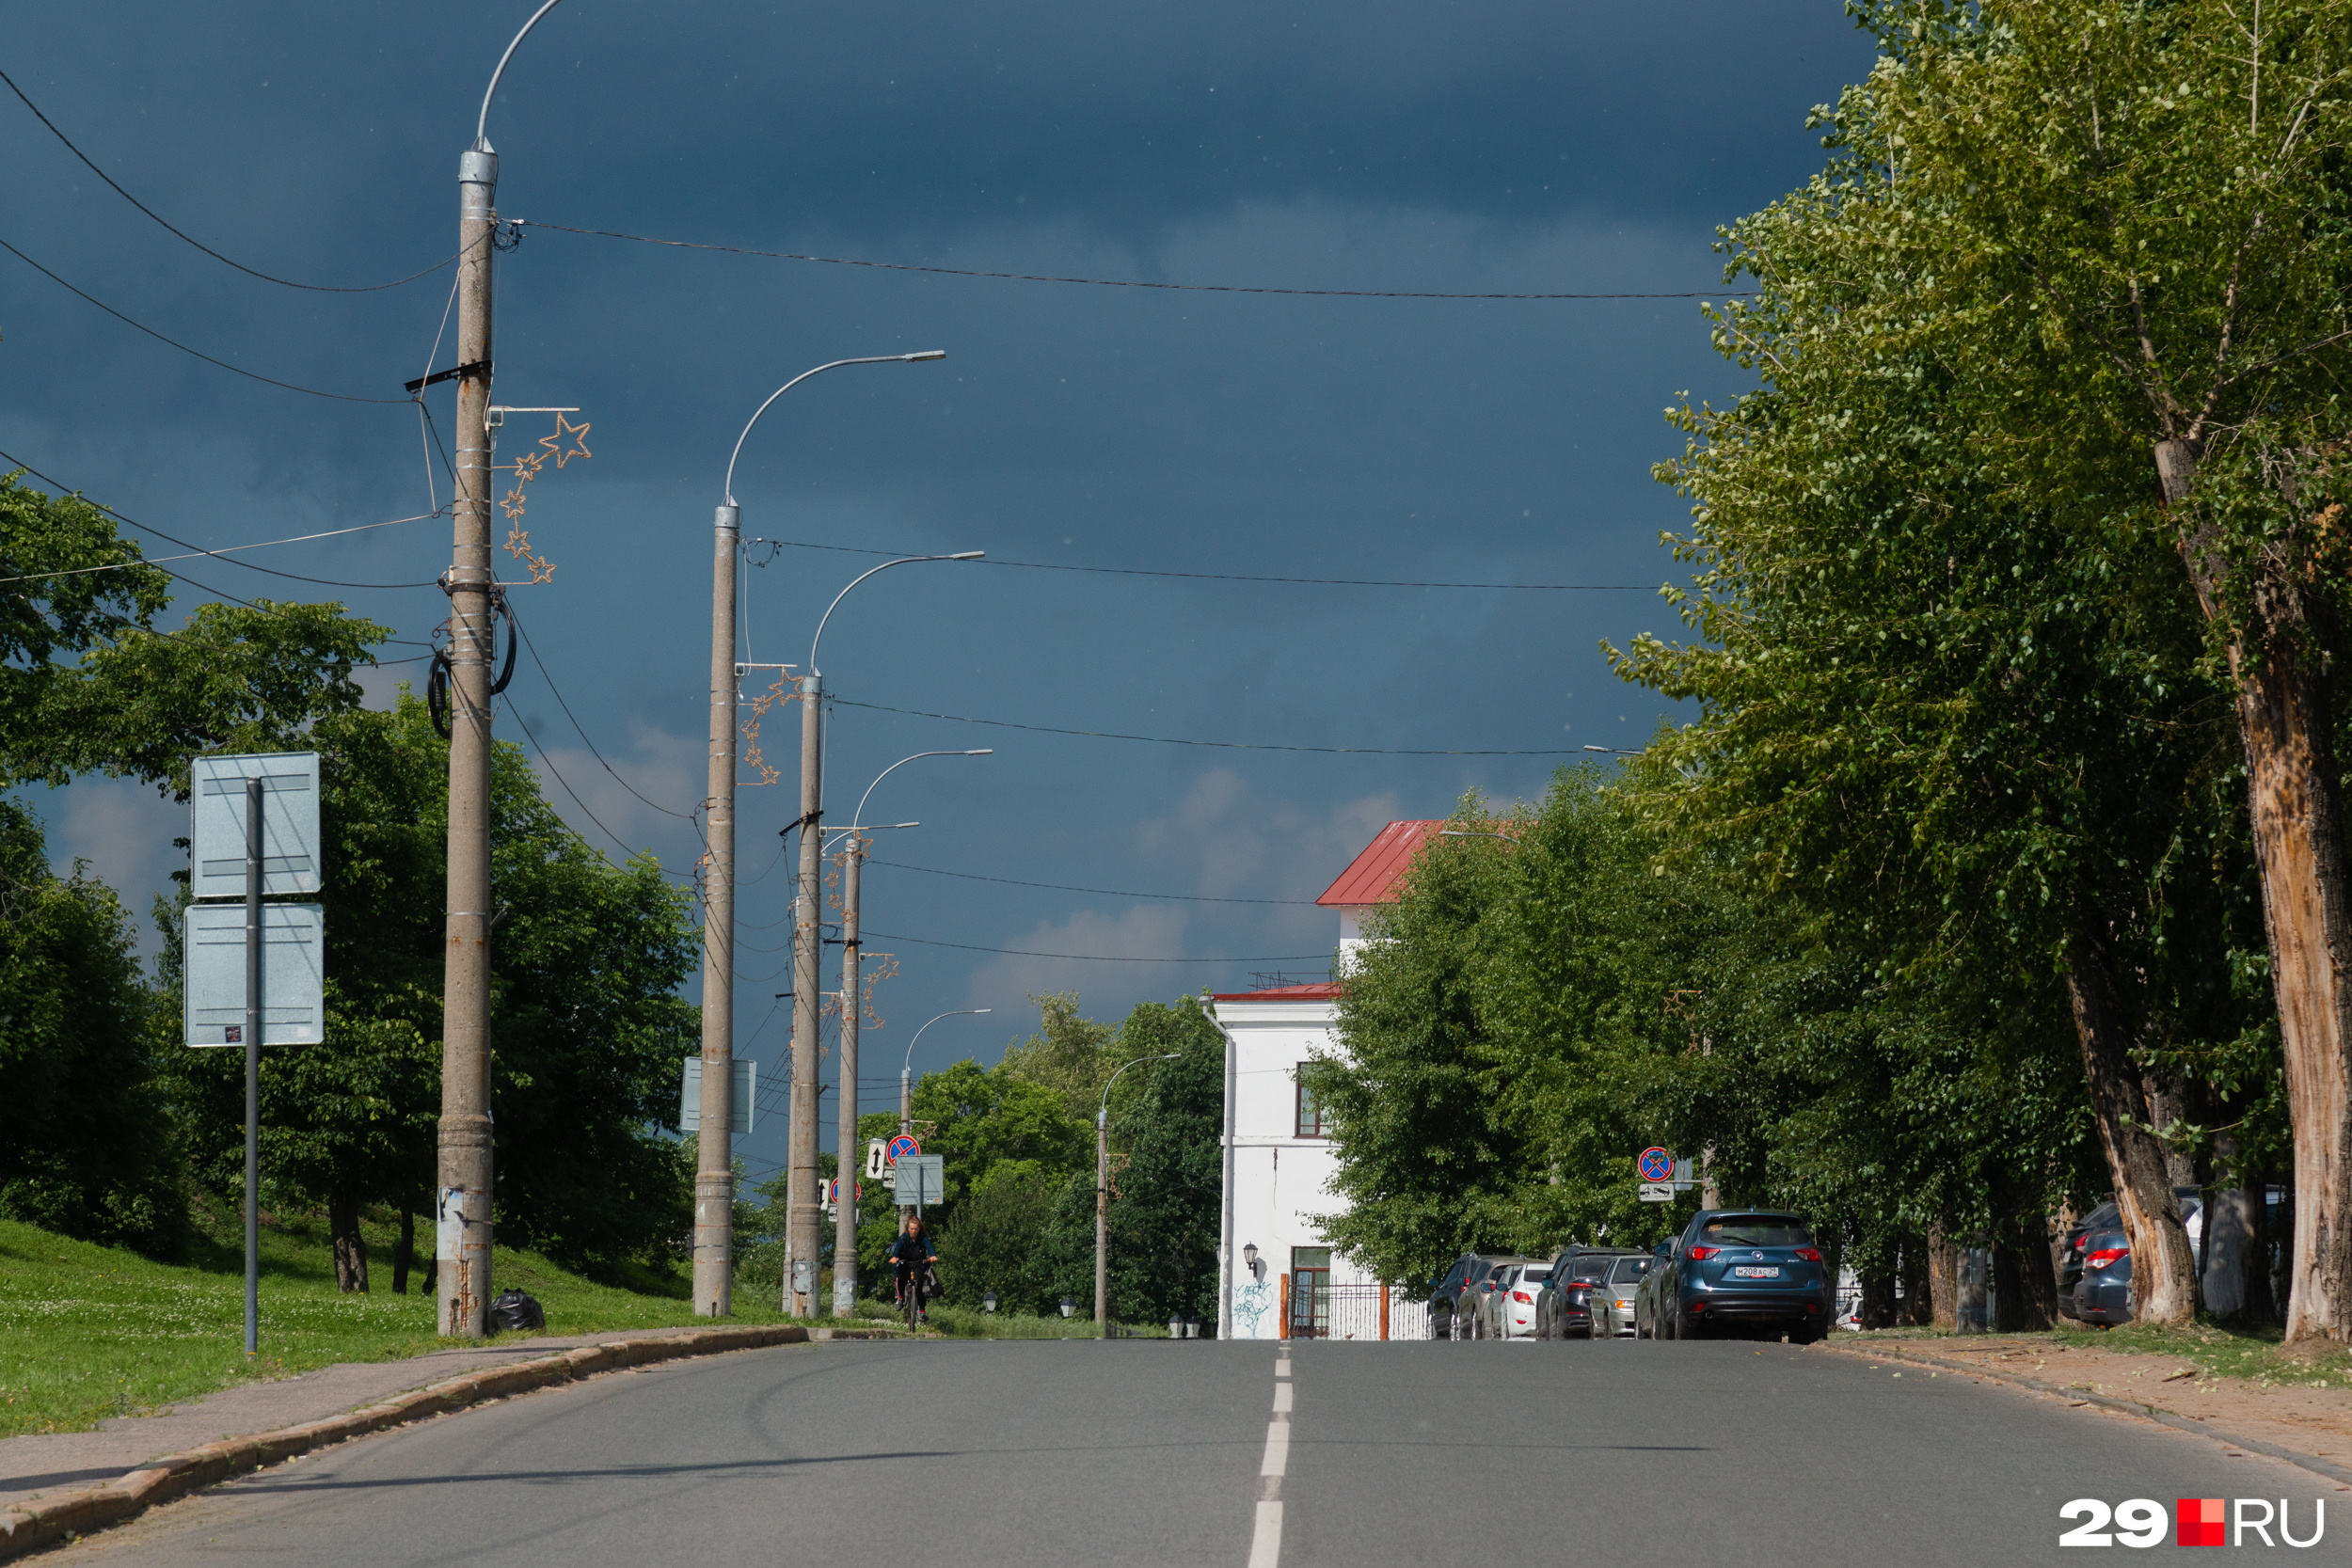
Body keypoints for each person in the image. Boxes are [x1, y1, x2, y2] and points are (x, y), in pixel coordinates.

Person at [887, 1214, 939, 1322]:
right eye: (911, 1229)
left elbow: (929, 1246)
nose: (913, 1231)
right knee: (900, 1277)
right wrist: (894, 1257)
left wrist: (933, 1255)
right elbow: (897, 1249)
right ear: (908, 1228)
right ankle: (900, 1297)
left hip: (918, 1263)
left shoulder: (923, 1238)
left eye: (916, 1229)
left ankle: (922, 1312)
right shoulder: (903, 1238)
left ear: (919, 1229)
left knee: (919, 1285)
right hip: (905, 1262)